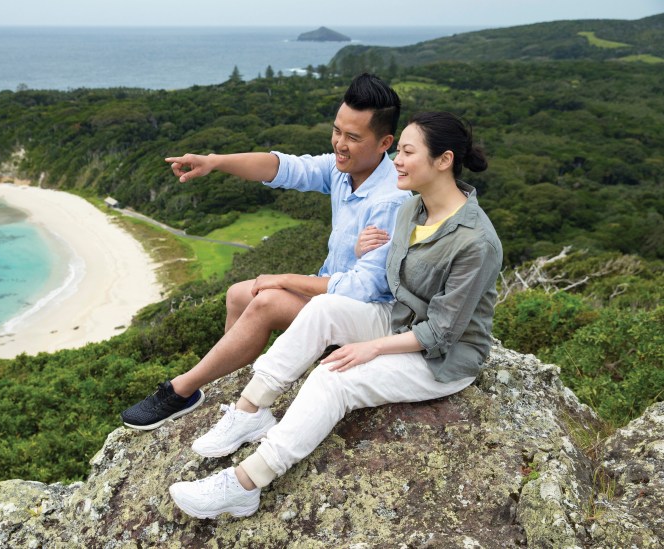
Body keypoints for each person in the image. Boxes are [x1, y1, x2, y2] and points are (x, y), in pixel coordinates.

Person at [168, 111, 503, 519]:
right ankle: (250, 411)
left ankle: (245, 483)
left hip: (442, 357)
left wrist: (371, 348)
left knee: (334, 376)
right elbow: (389, 277)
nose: (396, 160)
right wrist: (367, 252)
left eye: (408, 152)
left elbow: (443, 332)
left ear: (444, 160)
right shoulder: (410, 210)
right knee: (324, 308)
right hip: (399, 318)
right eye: (398, 150)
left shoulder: (476, 241)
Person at [120, 74, 411, 430]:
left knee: (265, 301)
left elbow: (361, 289)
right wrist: (214, 162)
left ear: (385, 142)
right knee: (238, 294)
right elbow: (282, 167)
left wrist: (284, 279)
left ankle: (182, 389)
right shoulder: (344, 171)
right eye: (337, 131)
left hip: (366, 313)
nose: (340, 144)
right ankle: (232, 387)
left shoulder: (391, 199)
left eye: (353, 137)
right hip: (331, 297)